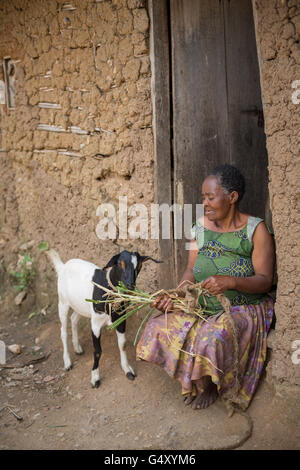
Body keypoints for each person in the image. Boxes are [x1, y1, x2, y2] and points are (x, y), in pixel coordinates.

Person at [136, 164, 275, 411]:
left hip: (242, 306)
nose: (205, 203)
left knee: (211, 338)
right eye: (203, 198)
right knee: (159, 324)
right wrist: (177, 294)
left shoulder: (256, 230)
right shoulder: (199, 228)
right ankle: (191, 379)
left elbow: (265, 279)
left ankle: (209, 384)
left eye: (211, 197)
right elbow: (191, 270)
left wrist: (231, 282)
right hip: (202, 303)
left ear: (232, 197)